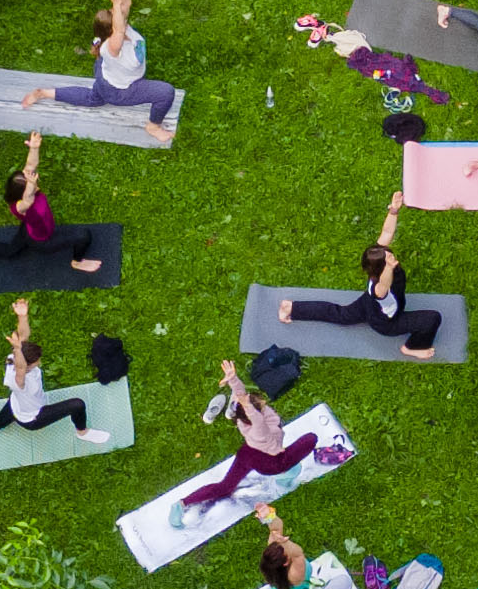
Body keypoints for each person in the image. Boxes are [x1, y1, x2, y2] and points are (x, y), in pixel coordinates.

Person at [23, 0, 178, 143]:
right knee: (165, 92)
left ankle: (44, 93)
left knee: (93, 99)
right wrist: (115, 7)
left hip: (107, 76)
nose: (122, 15)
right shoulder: (111, 47)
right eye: (118, 15)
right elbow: (119, 30)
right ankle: (153, 126)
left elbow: (126, 6)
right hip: (120, 90)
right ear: (112, 29)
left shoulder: (120, 29)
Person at [0, 297, 112, 446]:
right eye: (36, 362)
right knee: (77, 404)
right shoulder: (18, 380)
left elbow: (23, 337)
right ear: (27, 365)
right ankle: (82, 432)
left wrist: (23, 317)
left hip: (16, 406)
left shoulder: (15, 357)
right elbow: (21, 370)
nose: (39, 361)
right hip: (32, 418)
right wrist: (19, 350)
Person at [283, 196, 444, 357]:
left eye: (390, 255)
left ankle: (292, 307)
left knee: (340, 314)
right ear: (381, 268)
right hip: (387, 322)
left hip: (368, 304)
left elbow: (387, 232)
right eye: (388, 259)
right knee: (432, 319)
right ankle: (411, 348)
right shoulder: (379, 288)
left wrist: (393, 211)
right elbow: (385, 285)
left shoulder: (378, 261)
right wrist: (389, 267)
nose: (392, 257)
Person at [177, 358, 319, 521]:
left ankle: (182, 504)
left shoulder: (243, 418)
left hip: (247, 454)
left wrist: (233, 378)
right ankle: (284, 476)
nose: (264, 401)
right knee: (310, 439)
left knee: (225, 487)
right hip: (272, 463)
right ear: (254, 413)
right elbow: (257, 419)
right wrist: (252, 408)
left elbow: (241, 395)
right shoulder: (260, 429)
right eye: (261, 403)